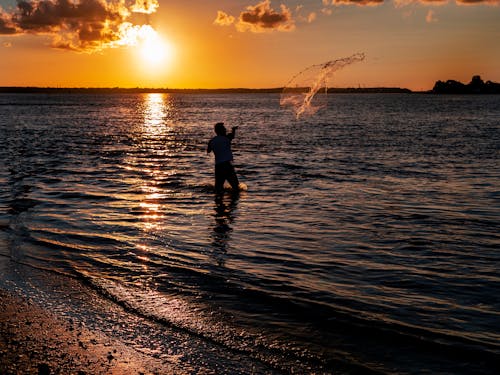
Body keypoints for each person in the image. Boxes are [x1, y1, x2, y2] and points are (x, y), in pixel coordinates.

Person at [207, 122, 240, 193]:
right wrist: (233, 130)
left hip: (218, 167)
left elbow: (208, 151)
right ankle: (233, 202)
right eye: (224, 129)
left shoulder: (211, 141)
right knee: (236, 187)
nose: (225, 130)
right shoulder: (226, 138)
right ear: (221, 131)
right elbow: (232, 136)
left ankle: (218, 202)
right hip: (227, 166)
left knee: (218, 188)